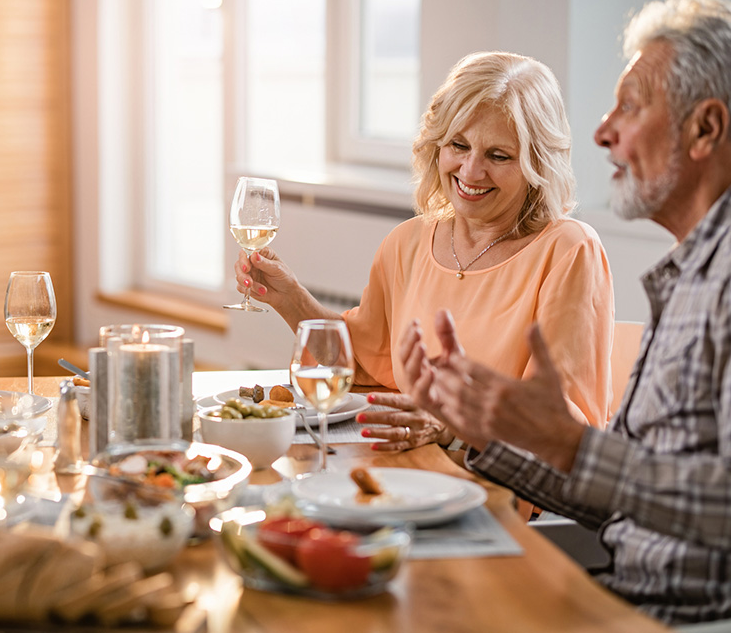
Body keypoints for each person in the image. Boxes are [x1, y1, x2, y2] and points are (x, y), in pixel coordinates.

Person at [402, 0, 731, 625]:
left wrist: (575, 446)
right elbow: (620, 499)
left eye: (631, 106)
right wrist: (481, 434)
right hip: (621, 589)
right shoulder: (688, 277)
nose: (604, 130)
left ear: (705, 129)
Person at [235, 51, 613, 451]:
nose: (470, 171)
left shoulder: (568, 251)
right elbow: (363, 362)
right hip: (412, 472)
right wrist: (289, 297)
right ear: (437, 145)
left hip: (503, 497)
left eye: (498, 156)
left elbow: (562, 428)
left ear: (539, 164)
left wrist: (449, 427)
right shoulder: (408, 242)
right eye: (459, 145)